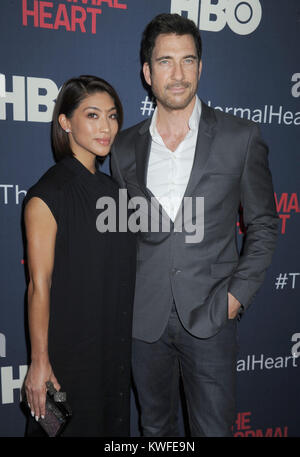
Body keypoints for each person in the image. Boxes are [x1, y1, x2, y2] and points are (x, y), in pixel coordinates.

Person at [111, 14, 278, 437]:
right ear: (148, 72)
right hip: (143, 323)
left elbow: (263, 225)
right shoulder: (123, 146)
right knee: (155, 430)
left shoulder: (240, 137)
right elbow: (121, 234)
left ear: (200, 67)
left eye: (188, 60)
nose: (179, 73)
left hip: (210, 318)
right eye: (166, 61)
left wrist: (234, 298)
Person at [23, 75, 136, 437]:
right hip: (68, 355)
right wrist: (39, 363)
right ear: (65, 122)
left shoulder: (115, 192)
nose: (106, 127)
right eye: (92, 115)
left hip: (112, 348)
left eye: (112, 116)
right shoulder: (47, 195)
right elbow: (39, 285)